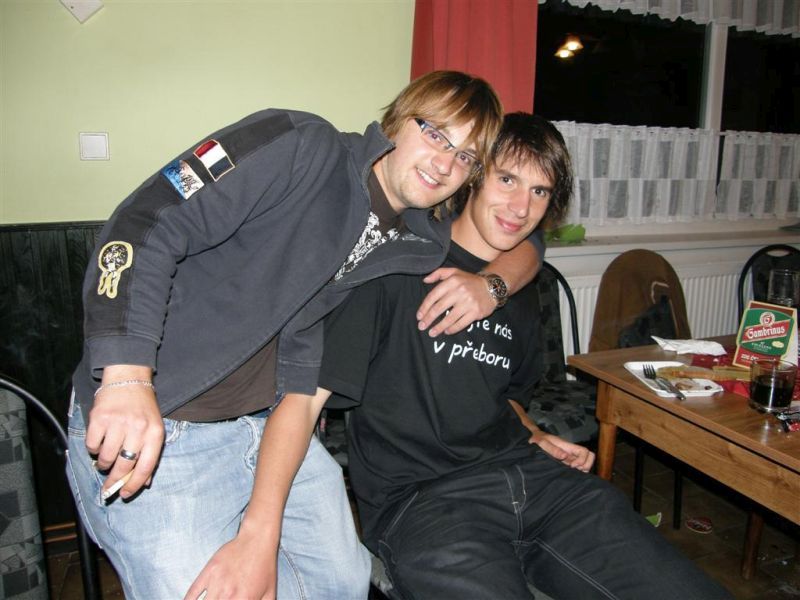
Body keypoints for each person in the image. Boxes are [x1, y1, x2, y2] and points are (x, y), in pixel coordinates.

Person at [66, 71, 546, 599]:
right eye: (435, 133)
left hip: (267, 424)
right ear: (395, 120)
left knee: (341, 583)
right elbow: (146, 220)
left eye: (466, 157)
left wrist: (493, 286)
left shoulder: (417, 242)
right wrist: (126, 374)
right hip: (159, 415)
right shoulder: (299, 145)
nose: (444, 164)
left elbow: (527, 233)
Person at [317, 113, 733, 599]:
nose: (521, 207)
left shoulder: (519, 289)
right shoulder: (398, 263)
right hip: (427, 503)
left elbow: (507, 396)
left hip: (540, 484)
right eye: (508, 179)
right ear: (473, 175)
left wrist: (534, 434)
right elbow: (312, 397)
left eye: (540, 191)